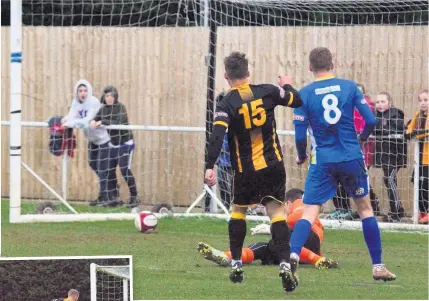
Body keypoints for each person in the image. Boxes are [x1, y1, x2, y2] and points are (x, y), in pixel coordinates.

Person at [290, 47, 396, 286]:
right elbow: (370, 120)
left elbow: (299, 136)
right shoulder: (349, 87)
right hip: (350, 156)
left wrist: (300, 155)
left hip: (323, 160)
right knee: (365, 210)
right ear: (332, 64)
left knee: (309, 211)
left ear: (310, 67)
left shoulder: (304, 94)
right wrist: (363, 138)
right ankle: (378, 266)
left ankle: (293, 256)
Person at [204, 52, 302, 292]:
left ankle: (237, 262)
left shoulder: (226, 103)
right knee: (277, 212)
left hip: (245, 170)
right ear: (248, 73)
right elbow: (296, 100)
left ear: (226, 76)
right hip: (273, 166)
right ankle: (284, 264)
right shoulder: (268, 91)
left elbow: (217, 137)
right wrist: (286, 83)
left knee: (238, 210)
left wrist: (209, 165)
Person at [197, 188, 339, 269]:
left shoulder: (299, 202)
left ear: (288, 203)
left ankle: (317, 260)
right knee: (264, 247)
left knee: (282, 240)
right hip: (304, 252)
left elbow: (298, 218)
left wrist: (274, 227)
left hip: (307, 238)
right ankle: (226, 256)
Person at [329, 84, 382, 220]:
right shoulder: (346, 107)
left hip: (362, 151)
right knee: (344, 178)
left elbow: (369, 124)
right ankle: (344, 208)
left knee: (357, 179)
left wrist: (361, 137)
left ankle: (371, 207)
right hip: (345, 149)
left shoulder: (366, 107)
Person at [61, 79, 114, 206]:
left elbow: (86, 121)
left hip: (104, 140)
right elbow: (72, 116)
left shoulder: (94, 102)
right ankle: (110, 189)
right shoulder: (75, 102)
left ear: (89, 91)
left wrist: (70, 122)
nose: (83, 93)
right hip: (92, 140)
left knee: (102, 169)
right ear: (76, 92)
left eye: (85, 90)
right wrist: (65, 119)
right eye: (80, 91)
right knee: (92, 164)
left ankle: (105, 197)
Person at [91, 86, 139, 208]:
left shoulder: (120, 107)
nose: (109, 98)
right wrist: (93, 122)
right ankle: (113, 198)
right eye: (107, 96)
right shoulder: (103, 110)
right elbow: (95, 119)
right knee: (109, 170)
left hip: (125, 144)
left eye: (112, 95)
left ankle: (134, 197)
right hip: (113, 144)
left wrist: (102, 122)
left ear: (115, 96)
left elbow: (118, 122)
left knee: (124, 170)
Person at [373, 92, 407, 222]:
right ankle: (398, 210)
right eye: (378, 102)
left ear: (389, 102)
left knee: (389, 178)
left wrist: (383, 127)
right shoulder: (376, 116)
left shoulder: (396, 114)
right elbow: (374, 129)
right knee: (388, 180)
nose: (380, 104)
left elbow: (395, 128)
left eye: (382, 101)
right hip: (383, 155)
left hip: (395, 155)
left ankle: (396, 212)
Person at [406, 89, 429, 224]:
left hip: (427, 158)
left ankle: (427, 211)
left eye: (425, 100)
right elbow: (409, 131)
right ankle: (421, 211)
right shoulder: (418, 115)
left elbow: (422, 133)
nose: (422, 103)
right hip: (419, 157)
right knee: (417, 183)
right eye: (420, 100)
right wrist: (414, 133)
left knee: (426, 184)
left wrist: (418, 133)